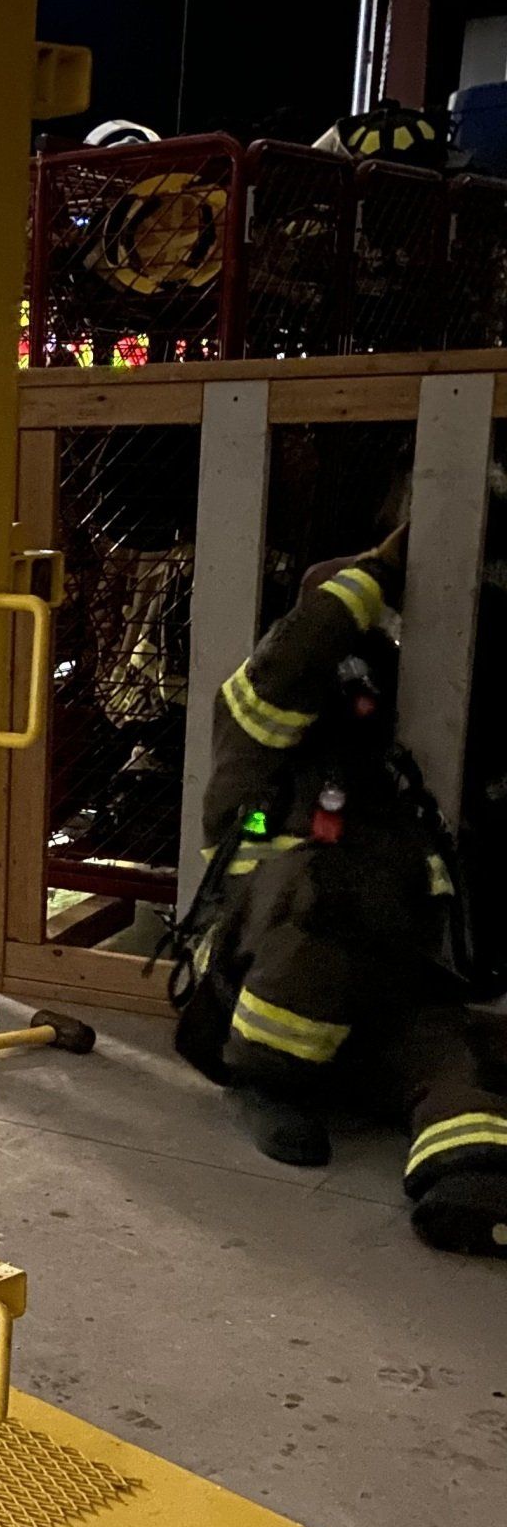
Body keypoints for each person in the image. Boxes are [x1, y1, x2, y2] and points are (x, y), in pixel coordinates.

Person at [172, 526, 507, 1250]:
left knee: (452, 1055)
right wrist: (374, 575)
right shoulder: (255, 737)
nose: (359, 693)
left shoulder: (396, 782)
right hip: (255, 992)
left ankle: (472, 1190)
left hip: (370, 999)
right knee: (327, 890)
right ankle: (266, 1083)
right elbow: (290, 665)